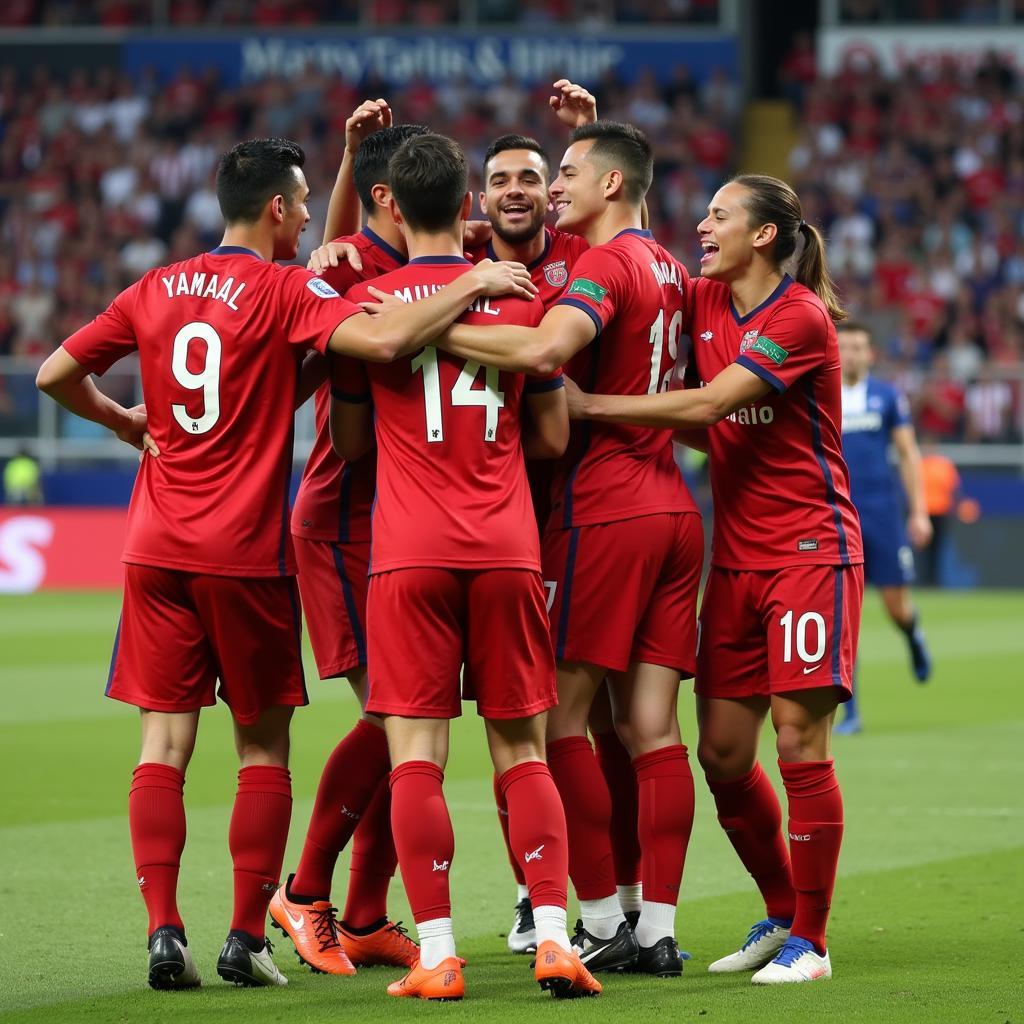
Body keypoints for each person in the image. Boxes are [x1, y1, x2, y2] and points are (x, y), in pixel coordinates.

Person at [34, 136, 536, 993]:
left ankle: (163, 931)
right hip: (244, 553)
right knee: (263, 750)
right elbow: (381, 344)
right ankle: (244, 935)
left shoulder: (154, 285)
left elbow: (54, 373)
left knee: (161, 743)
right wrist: (471, 283)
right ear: (275, 208)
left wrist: (126, 424)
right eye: (302, 205)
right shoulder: (285, 287)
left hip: (153, 545)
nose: (309, 220)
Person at [558, 174, 863, 984]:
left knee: (799, 743)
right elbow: (640, 258)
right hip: (734, 559)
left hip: (809, 553)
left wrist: (591, 407)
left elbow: (712, 406)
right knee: (725, 756)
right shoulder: (700, 298)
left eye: (720, 216)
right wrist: (594, 174)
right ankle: (782, 911)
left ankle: (814, 941)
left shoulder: (795, 316)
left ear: (764, 236)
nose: (703, 225)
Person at [425, 120, 703, 978]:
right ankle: (654, 929)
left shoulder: (603, 265)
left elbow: (547, 350)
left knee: (558, 726)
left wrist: (424, 331)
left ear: (611, 185)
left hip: (605, 510)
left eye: (570, 172)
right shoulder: (672, 268)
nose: (555, 189)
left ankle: (592, 915)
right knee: (653, 730)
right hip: (674, 511)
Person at [330, 131, 599, 1001]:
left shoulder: (367, 309)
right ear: (470, 207)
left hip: (408, 553)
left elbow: (348, 443)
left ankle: (440, 953)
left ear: (392, 209)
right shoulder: (521, 303)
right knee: (523, 750)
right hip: (509, 548)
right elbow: (554, 436)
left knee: (416, 757)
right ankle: (556, 937)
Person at [270, 109, 430, 978]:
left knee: (414, 721)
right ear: (385, 193)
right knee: (394, 715)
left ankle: (366, 914)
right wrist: (339, 169)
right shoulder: (346, 266)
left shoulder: (432, 256)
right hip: (345, 515)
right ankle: (305, 891)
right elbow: (331, 265)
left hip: (412, 523)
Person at [836, 321, 932, 734]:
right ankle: (850, 711)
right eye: (846, 347)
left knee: (896, 605)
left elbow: (908, 454)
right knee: (842, 614)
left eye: (860, 347)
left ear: (870, 354)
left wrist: (920, 511)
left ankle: (912, 633)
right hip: (837, 516)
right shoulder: (821, 394)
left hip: (882, 514)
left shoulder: (886, 397)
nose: (853, 354)